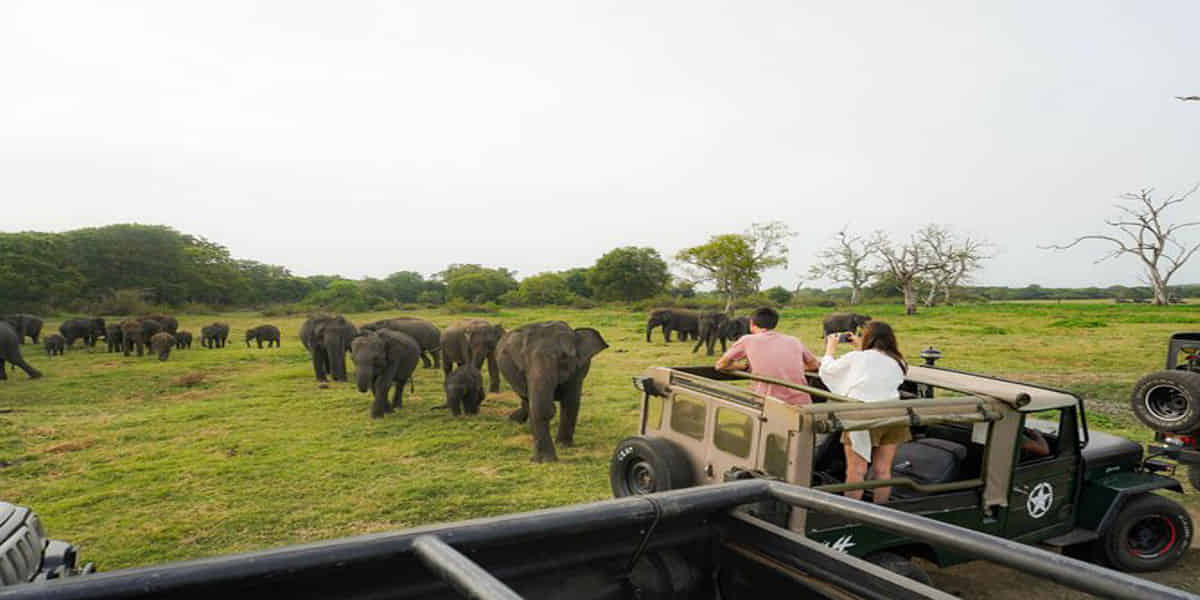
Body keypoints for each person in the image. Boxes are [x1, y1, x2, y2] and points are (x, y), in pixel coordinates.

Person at [818, 320, 908, 503]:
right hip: (894, 415)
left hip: (863, 416)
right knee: (883, 470)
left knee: (856, 470)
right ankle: (880, 511)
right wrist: (860, 347)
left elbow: (827, 371)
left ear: (868, 337)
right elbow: (873, 368)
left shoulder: (857, 358)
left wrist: (830, 348)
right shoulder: (899, 361)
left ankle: (852, 514)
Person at [714, 307, 821, 405]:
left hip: (768, 404)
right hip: (802, 402)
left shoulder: (747, 340)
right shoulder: (794, 340)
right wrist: (790, 368)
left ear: (751, 323)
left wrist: (743, 367)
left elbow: (720, 365)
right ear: (775, 324)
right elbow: (814, 365)